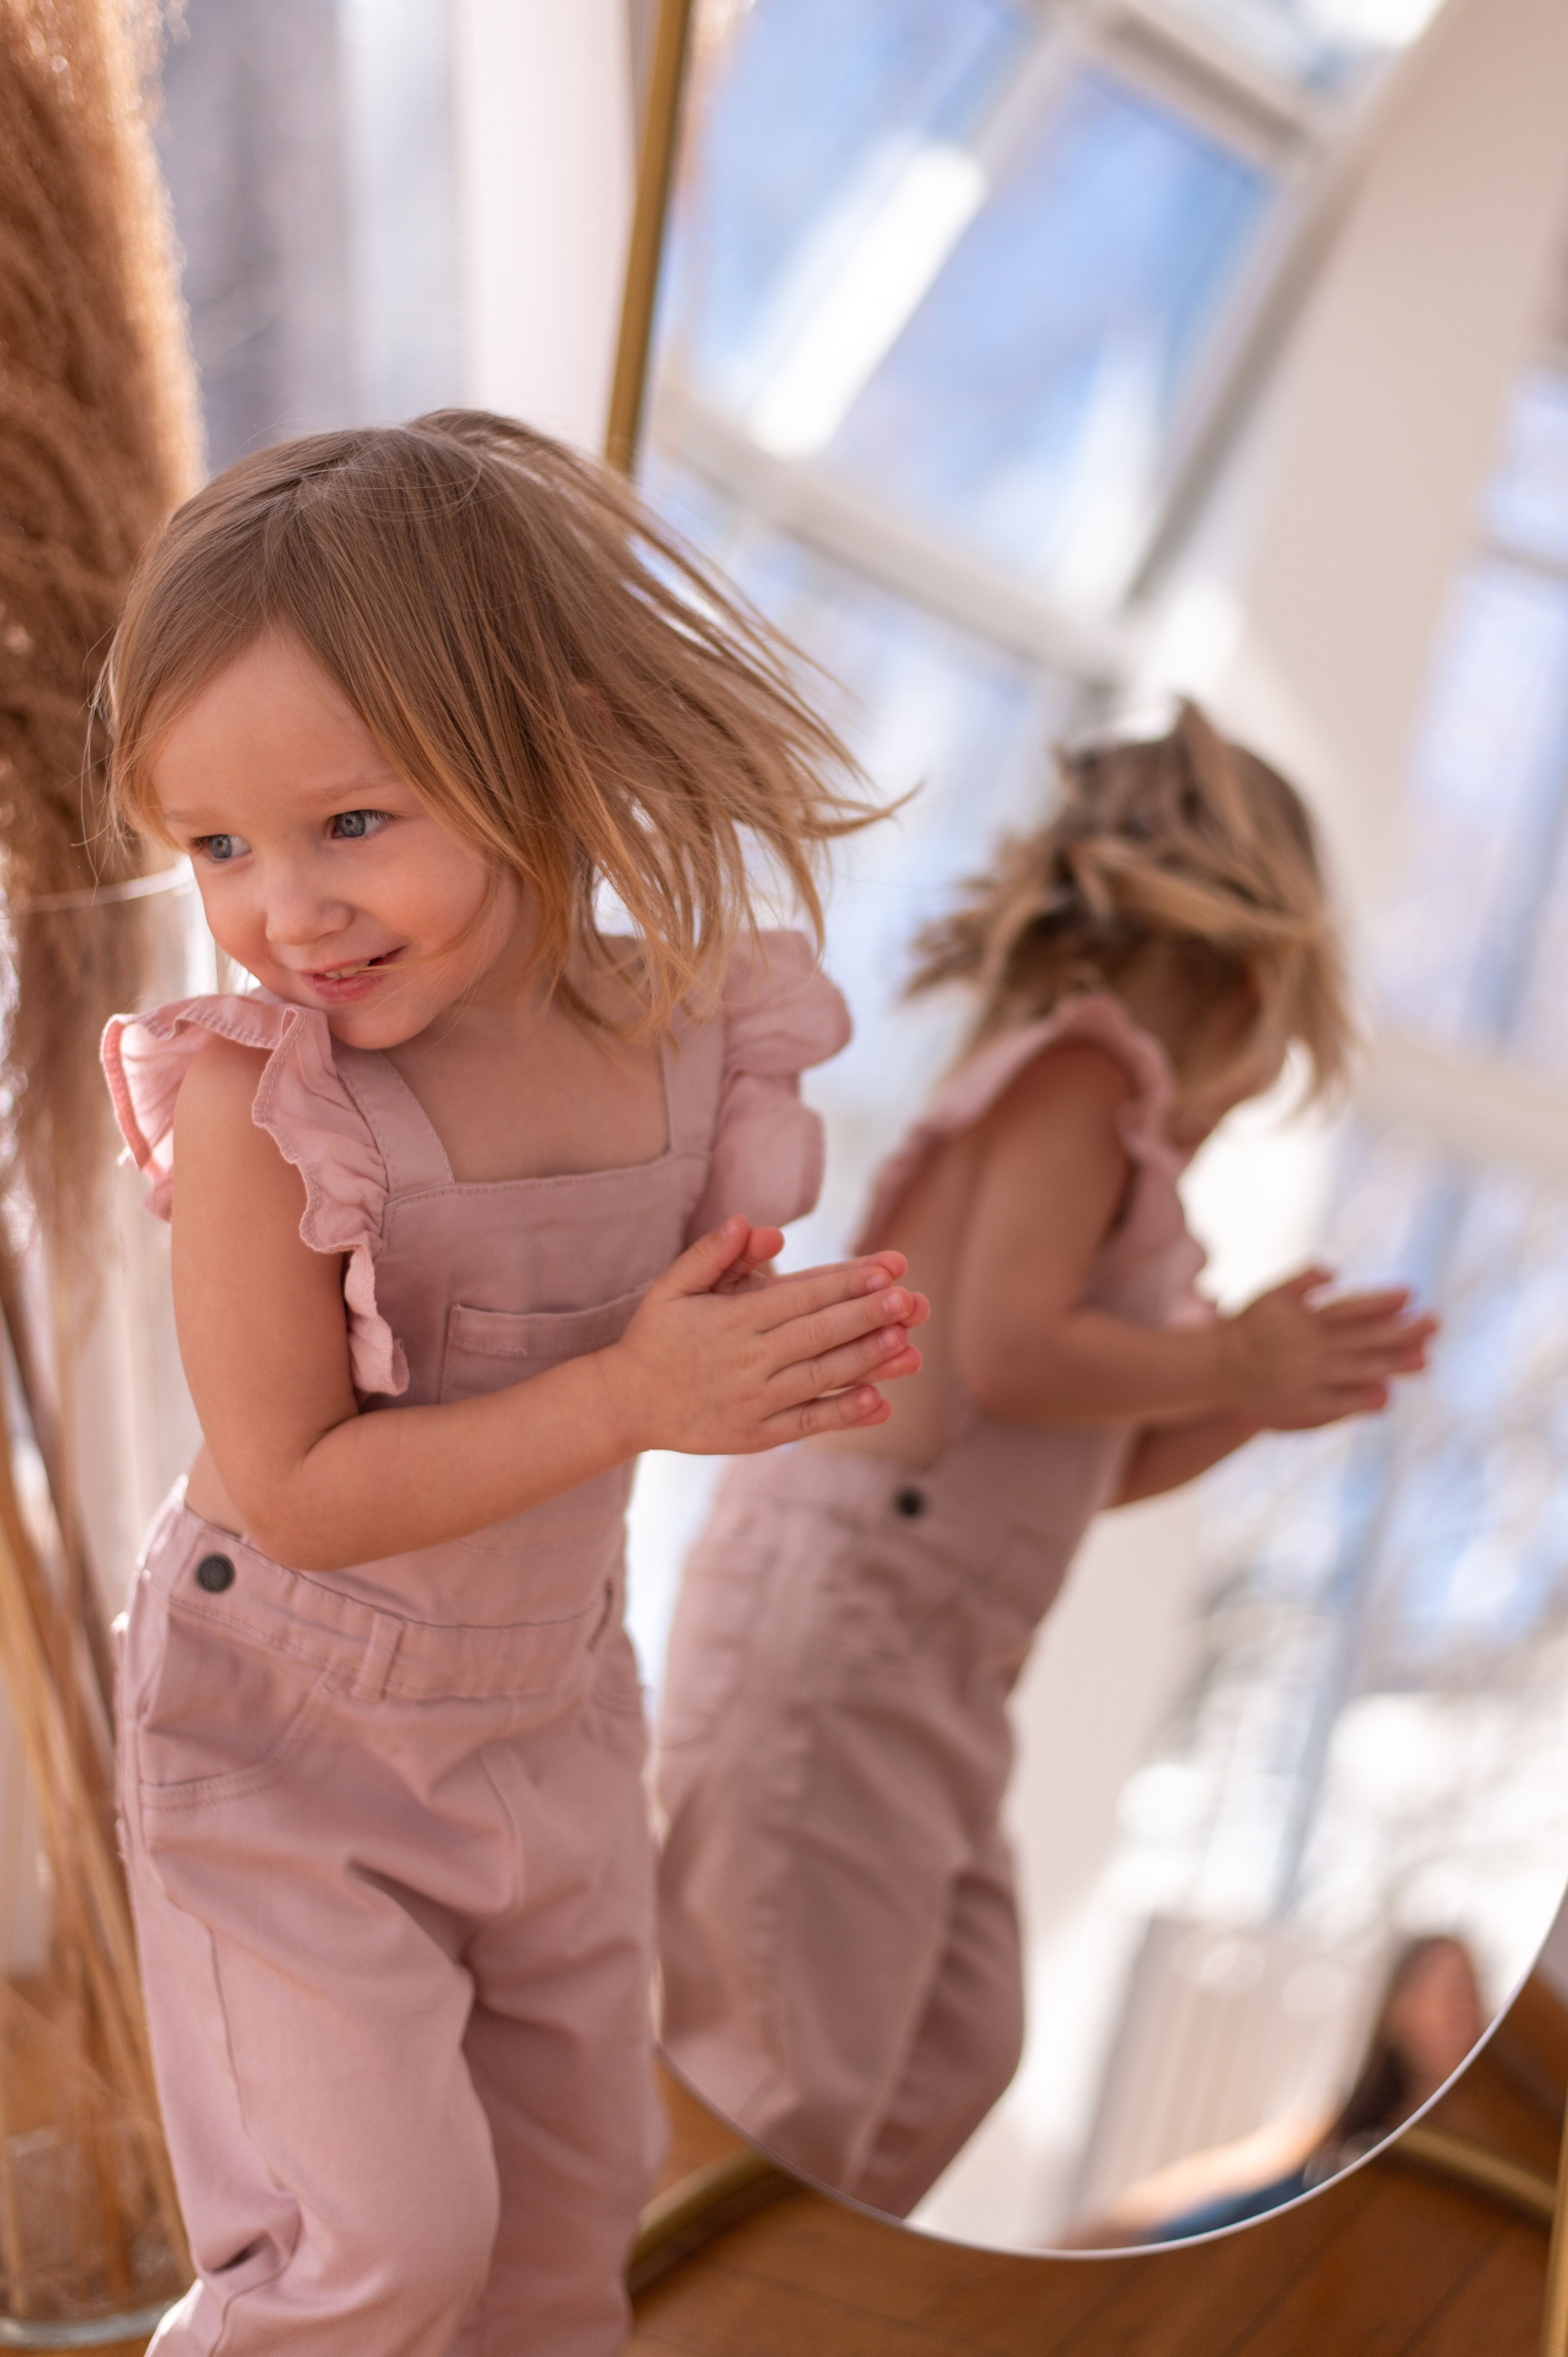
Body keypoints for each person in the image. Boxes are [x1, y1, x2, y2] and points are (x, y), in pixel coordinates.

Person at [97, 412, 930, 2357]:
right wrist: (640, 1392)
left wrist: (754, 1364)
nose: (281, 908)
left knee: (557, 2266)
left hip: (549, 1718)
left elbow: (664, 1354)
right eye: (217, 847)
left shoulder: (681, 1035)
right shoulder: (262, 1102)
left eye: (349, 824)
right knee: (375, 2257)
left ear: (539, 746)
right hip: (287, 1743)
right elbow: (293, 1482)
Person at [655, 703, 1436, 2219]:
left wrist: (1256, 1393)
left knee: (959, 2033)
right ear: (1248, 980)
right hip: (848, 1611)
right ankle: (690, 2297)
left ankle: (783, 2279)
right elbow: (1013, 1348)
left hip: (933, 1646)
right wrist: (1226, 1356)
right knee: (785, 2069)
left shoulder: (1095, 1118)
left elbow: (1081, 1453)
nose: (1208, 1139)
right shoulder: (1078, 1074)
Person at [1091, 1934, 1486, 2242]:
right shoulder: (1344, 2124)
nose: (1459, 2003)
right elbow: (1239, 2178)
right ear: (1398, 2009)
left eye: (1468, 1988)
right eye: (1441, 1985)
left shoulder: (1483, 2135)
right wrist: (1127, 2224)